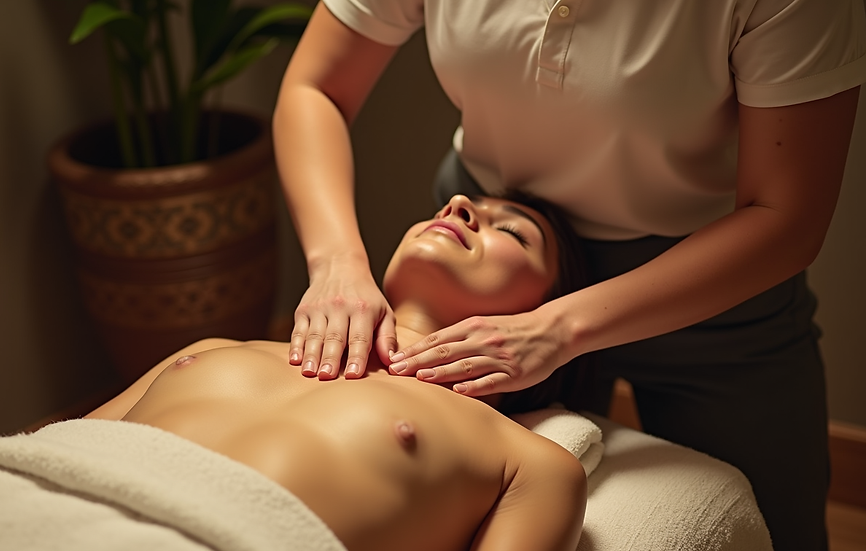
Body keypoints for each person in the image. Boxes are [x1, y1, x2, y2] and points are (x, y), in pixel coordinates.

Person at [271, 1, 866, 549]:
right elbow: (315, 84)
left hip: (706, 277)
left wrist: (557, 328)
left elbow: (787, 213)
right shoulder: (250, 354)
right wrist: (337, 263)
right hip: (502, 233)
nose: (454, 210)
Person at [85, 194, 589, 551]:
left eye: (511, 231)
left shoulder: (530, 465)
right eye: (453, 204)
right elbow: (46, 447)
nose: (458, 204)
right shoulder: (212, 347)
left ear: (549, 309)